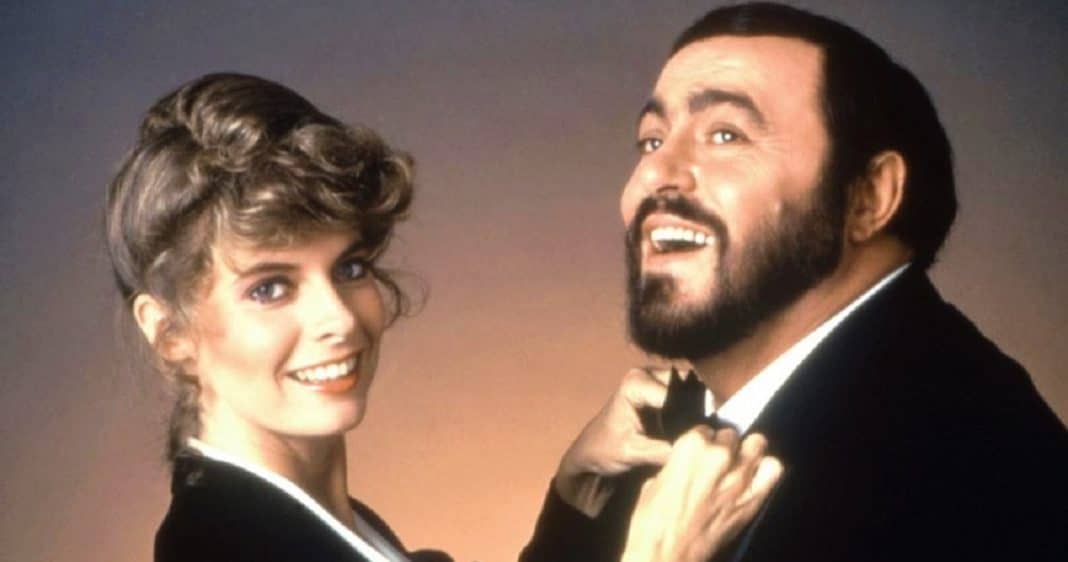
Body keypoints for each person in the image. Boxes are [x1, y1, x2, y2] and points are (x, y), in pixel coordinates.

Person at [106, 72, 782, 562]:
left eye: (350, 268)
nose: (338, 319)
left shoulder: (308, 517)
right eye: (270, 288)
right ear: (170, 333)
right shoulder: (224, 548)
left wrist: (577, 494)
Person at [521, 3, 1068, 562]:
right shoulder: (669, 451)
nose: (653, 175)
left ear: (870, 198)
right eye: (651, 141)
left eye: (726, 135)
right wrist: (576, 503)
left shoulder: (971, 469)